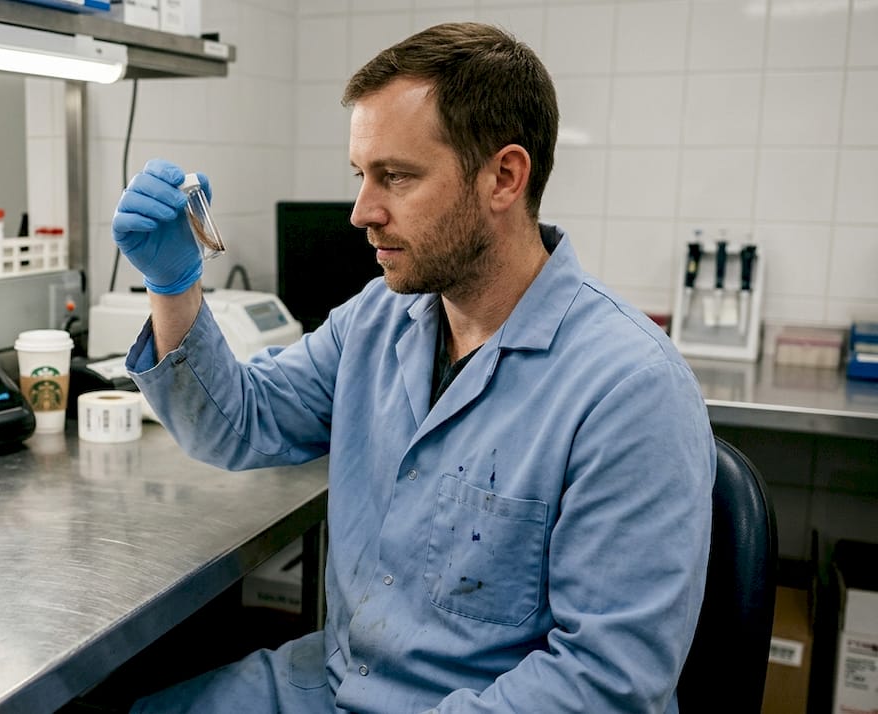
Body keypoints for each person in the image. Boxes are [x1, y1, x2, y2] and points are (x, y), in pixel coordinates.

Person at [111, 22, 714, 714]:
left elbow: (606, 683)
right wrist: (174, 284)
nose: (361, 212)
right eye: (361, 176)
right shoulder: (380, 317)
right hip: (336, 684)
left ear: (504, 178)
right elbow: (239, 424)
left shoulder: (629, 388)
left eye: (395, 176)